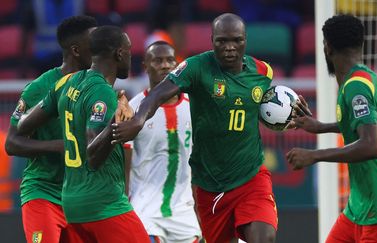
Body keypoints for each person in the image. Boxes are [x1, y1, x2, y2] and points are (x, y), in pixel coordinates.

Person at [111, 13, 311, 243]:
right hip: (210, 187)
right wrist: (138, 120)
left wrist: (290, 115)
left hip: (251, 178)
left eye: (236, 40)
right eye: (222, 41)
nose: (229, 47)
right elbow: (157, 93)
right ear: (212, 40)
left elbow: (265, 105)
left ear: (245, 40)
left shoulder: (262, 72)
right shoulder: (196, 67)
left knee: (263, 237)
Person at [286, 14, 377, 243]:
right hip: (361, 208)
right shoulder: (365, 78)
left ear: (327, 48)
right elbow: (365, 127)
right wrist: (320, 127)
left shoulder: (356, 87)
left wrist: (314, 155)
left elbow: (372, 145)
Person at [17, 26, 149, 243]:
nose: (130, 55)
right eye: (129, 50)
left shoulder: (67, 82)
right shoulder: (103, 93)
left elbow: (22, 125)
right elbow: (93, 155)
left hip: (71, 203)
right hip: (102, 202)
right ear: (119, 53)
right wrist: (115, 125)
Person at [5, 15, 97, 243]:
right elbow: (12, 143)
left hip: (79, 195)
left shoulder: (96, 86)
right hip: (44, 192)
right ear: (76, 50)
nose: (100, 48)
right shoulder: (41, 88)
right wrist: (62, 146)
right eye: (93, 43)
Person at [124, 41, 201, 243]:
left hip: (184, 216)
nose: (165, 65)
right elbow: (124, 166)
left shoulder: (194, 108)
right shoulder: (133, 108)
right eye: (158, 60)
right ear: (145, 66)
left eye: (169, 60)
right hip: (145, 211)